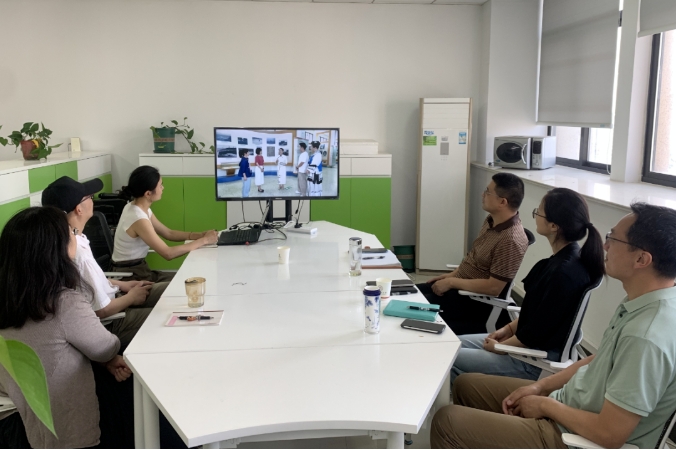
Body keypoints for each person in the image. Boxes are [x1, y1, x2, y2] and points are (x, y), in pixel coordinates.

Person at [431, 202, 676, 449]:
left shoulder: (646, 335)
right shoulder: (643, 303)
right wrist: (540, 387)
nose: (605, 245)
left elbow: (609, 434)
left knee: (447, 422)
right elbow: (597, 359)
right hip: (568, 403)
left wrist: (545, 405)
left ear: (641, 259)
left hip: (573, 437)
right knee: (466, 385)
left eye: (613, 239)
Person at [0, 207, 131, 449]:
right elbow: (104, 348)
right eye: (71, 232)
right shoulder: (62, 302)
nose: (76, 235)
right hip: (71, 429)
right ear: (55, 248)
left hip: (24, 425)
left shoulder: (9, 302)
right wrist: (109, 358)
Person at [450, 188, 605, 384]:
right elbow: (540, 315)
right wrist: (507, 329)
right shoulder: (565, 260)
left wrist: (500, 347)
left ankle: (470, 396)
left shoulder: (564, 274)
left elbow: (535, 333)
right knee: (448, 345)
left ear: (554, 226)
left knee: (447, 358)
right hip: (523, 345)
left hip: (532, 361)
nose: (535, 216)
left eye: (539, 212)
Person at [42, 176, 169, 349]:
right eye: (89, 197)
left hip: (117, 297)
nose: (93, 200)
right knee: (167, 316)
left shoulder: (76, 238)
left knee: (171, 292)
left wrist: (122, 285)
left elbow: (87, 282)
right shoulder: (77, 253)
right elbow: (100, 311)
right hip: (113, 322)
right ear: (79, 209)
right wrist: (131, 297)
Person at [417, 173, 529, 335]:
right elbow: (474, 260)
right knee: (406, 294)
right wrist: (450, 276)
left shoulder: (510, 240)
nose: (483, 194)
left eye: (488, 192)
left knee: (407, 308)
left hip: (473, 301)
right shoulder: (491, 220)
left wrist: (452, 282)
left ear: (502, 202)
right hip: (459, 288)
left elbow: (493, 288)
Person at [111, 166, 219, 281]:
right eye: (160, 185)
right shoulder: (138, 218)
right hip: (130, 277)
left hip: (139, 270)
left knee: (190, 280)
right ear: (148, 193)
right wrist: (205, 240)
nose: (163, 188)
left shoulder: (137, 207)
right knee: (190, 284)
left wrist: (200, 235)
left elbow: (168, 233)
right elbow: (168, 254)